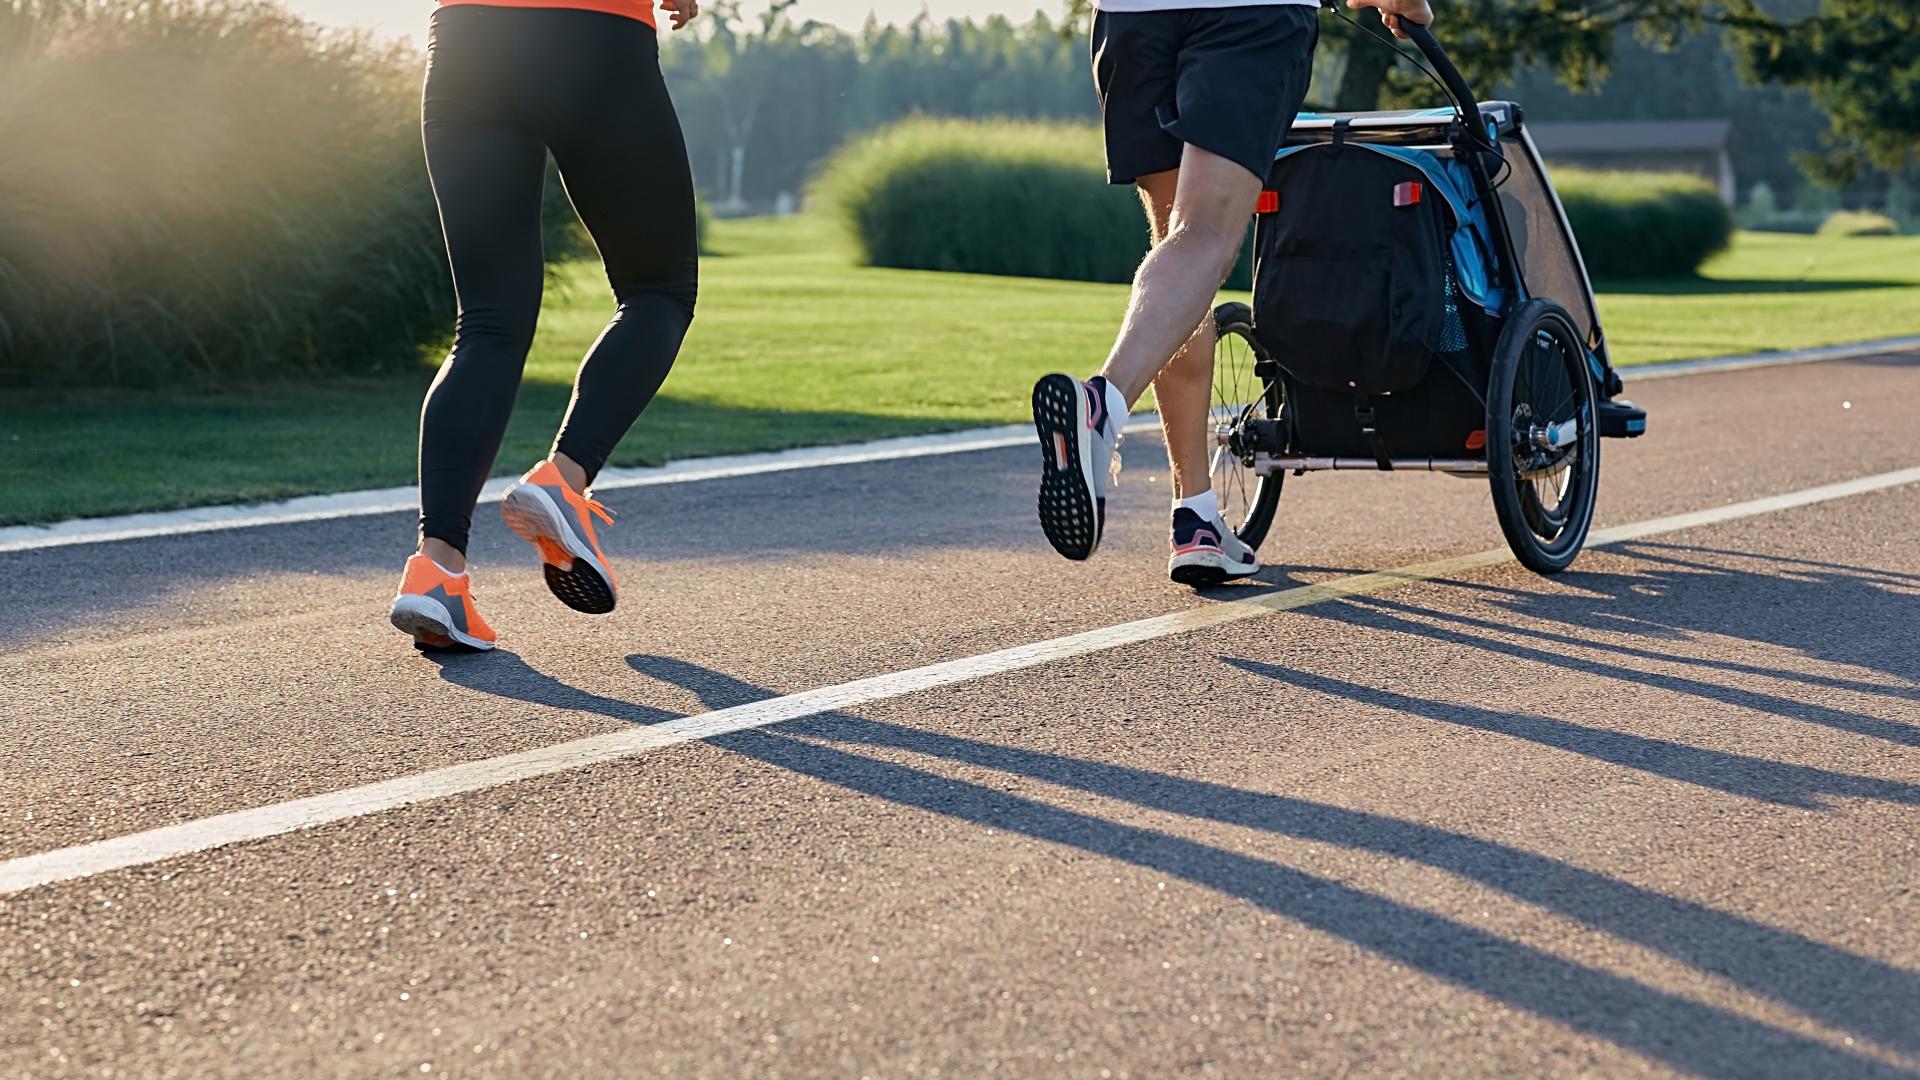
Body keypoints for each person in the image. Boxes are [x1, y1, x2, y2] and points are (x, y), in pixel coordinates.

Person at [1030, 0, 1434, 586]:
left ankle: (1195, 516)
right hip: (1245, 14)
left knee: (1175, 245)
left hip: (1132, 18)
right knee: (1202, 241)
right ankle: (1102, 405)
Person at [388, 0, 702, 652]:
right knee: (659, 292)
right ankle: (564, 478)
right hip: (591, 32)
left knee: (486, 324)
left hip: (467, 41)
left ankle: (437, 569)